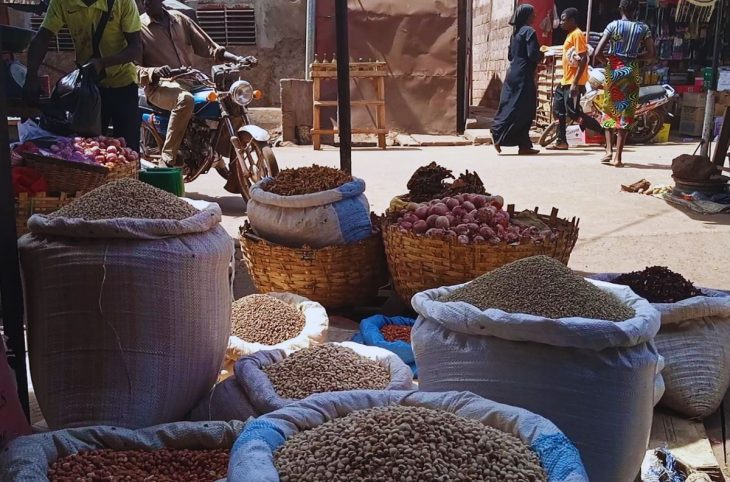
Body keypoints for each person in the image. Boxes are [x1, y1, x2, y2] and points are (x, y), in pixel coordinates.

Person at [137, 0, 253, 166]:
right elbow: (132, 67)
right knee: (185, 100)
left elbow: (209, 47)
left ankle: (220, 150)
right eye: (145, 1)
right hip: (160, 86)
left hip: (191, 80)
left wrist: (238, 59)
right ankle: (168, 158)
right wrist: (152, 72)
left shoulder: (179, 19)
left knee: (230, 96)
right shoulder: (139, 27)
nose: (147, 3)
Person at [24, 0, 143, 151]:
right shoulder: (62, 3)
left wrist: (102, 63)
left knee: (128, 151)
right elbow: (41, 39)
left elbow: (136, 48)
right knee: (89, 151)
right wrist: (31, 75)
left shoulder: (123, 2)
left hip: (123, 85)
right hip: (89, 90)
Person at [593, 0, 655, 167]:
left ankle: (608, 151)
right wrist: (635, 58)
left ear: (620, 8)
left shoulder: (613, 26)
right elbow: (651, 54)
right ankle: (618, 158)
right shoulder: (643, 28)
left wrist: (608, 62)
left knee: (609, 108)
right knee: (626, 112)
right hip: (631, 70)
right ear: (636, 10)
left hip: (613, 70)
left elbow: (597, 52)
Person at [547, 7, 604, 151]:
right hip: (565, 80)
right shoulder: (569, 34)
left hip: (574, 82)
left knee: (573, 112)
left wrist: (575, 83)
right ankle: (561, 141)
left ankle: (605, 132)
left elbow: (583, 58)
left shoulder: (577, 34)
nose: (561, 23)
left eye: (564, 20)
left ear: (572, 20)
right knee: (558, 109)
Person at [491, 3, 543, 155]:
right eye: (532, 14)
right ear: (526, 16)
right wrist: (543, 54)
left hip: (512, 73)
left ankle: (524, 145)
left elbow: (510, 56)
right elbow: (533, 54)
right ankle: (497, 131)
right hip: (523, 75)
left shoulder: (515, 34)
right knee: (524, 108)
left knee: (511, 104)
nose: (535, 16)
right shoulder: (529, 32)